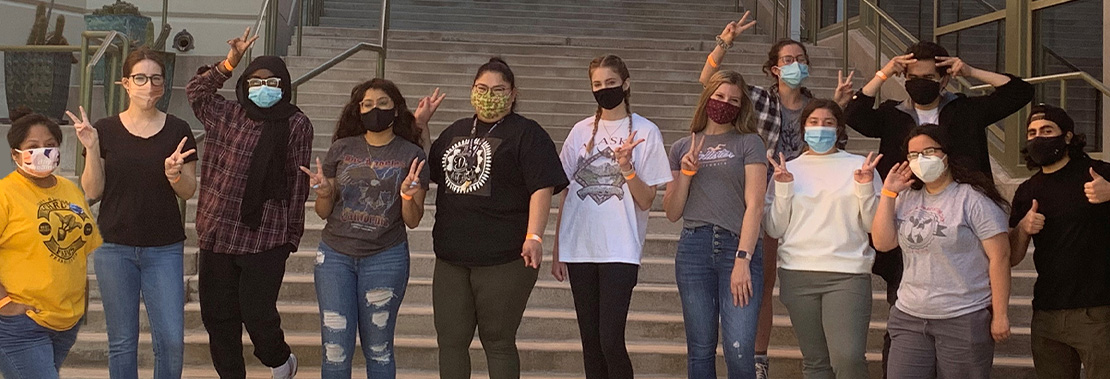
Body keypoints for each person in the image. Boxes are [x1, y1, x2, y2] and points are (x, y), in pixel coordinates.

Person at [843, 41, 1033, 374]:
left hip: (960, 228)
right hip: (909, 219)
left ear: (944, 79)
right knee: (904, 335)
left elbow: (1020, 92)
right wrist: (885, 71)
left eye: (929, 76)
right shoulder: (892, 114)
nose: (921, 82)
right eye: (913, 76)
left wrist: (971, 71)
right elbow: (855, 114)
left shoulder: (966, 109)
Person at [699, 15, 855, 376]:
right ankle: (758, 359)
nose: (795, 64)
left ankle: (826, 357)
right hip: (766, 197)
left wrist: (838, 105)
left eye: (800, 58)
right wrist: (725, 42)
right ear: (773, 68)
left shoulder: (818, 107)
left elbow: (831, 146)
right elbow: (708, 82)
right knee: (764, 280)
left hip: (808, 200)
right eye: (787, 59)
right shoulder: (757, 99)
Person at [428, 57, 569, 379]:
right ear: (471, 90)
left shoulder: (527, 134)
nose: (489, 95)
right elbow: (429, 171)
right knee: (450, 340)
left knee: (498, 340)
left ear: (513, 93)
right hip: (451, 257)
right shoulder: (456, 130)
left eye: (498, 89)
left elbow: (542, 186)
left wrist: (534, 236)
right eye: (482, 88)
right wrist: (420, 124)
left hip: (504, 259)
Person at [185, 28, 312, 379]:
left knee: (258, 314)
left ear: (284, 86)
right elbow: (195, 91)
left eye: (272, 82)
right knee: (218, 317)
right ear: (244, 84)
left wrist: (291, 236)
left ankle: (280, 359)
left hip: (266, 235)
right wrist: (229, 63)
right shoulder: (224, 113)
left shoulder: (296, 123)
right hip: (217, 232)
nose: (264, 88)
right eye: (255, 81)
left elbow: (296, 181)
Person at [300, 78, 442, 379]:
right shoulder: (342, 148)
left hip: (385, 258)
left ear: (395, 110)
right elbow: (324, 212)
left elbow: (413, 219)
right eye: (367, 104)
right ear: (357, 110)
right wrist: (324, 191)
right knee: (335, 350)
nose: (374, 109)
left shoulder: (411, 155)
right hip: (334, 258)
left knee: (378, 349)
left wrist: (406, 195)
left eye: (382, 104)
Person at [75, 47, 196, 379]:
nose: (148, 85)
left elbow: (188, 190)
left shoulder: (178, 129)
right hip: (115, 247)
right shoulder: (105, 129)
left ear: (164, 84)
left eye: (156, 78)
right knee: (122, 343)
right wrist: (91, 146)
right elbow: (92, 191)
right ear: (125, 83)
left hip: (164, 248)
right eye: (140, 78)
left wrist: (175, 174)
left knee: (171, 342)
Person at [551, 54, 672, 379]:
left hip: (620, 249)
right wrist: (557, 247)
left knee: (610, 340)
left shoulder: (647, 132)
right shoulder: (579, 132)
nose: (604, 90)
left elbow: (647, 201)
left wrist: (627, 168)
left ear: (626, 84)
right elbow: (565, 189)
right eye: (597, 84)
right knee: (590, 342)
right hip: (579, 248)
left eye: (611, 83)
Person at [871, 124, 1012, 378]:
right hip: (909, 316)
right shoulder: (906, 198)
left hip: (963, 316)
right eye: (913, 155)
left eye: (929, 151)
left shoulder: (973, 199)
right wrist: (888, 193)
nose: (921, 159)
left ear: (946, 154)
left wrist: (1000, 314)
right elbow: (883, 243)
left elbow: (1000, 257)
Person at [663, 70, 768, 379]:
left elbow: (756, 205)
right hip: (694, 247)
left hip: (738, 246)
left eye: (734, 100)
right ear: (707, 97)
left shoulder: (750, 143)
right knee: (699, 348)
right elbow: (672, 211)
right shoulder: (682, 146)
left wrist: (743, 259)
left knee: (738, 348)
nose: (725, 103)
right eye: (720, 96)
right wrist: (686, 174)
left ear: (742, 106)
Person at [763, 99, 879, 379]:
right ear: (803, 128)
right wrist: (783, 188)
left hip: (847, 274)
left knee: (848, 358)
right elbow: (774, 228)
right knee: (816, 362)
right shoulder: (788, 168)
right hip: (798, 274)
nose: (821, 128)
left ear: (839, 129)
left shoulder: (861, 168)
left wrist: (865, 190)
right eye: (814, 122)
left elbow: (875, 225)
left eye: (828, 123)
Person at [1008, 104, 1110, 379]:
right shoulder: (1027, 190)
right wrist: (1022, 228)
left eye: (1046, 130)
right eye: (1032, 132)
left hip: (1098, 312)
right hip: (1047, 315)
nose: (1038, 137)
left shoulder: (1098, 173)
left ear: (1067, 136)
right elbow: (1013, 257)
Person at [0, 107, 103, 379]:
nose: (42, 152)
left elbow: (82, 245)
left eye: (50, 145)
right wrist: (4, 303)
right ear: (15, 154)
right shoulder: (5, 195)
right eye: (32, 147)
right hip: (20, 324)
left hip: (65, 322)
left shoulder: (70, 189)